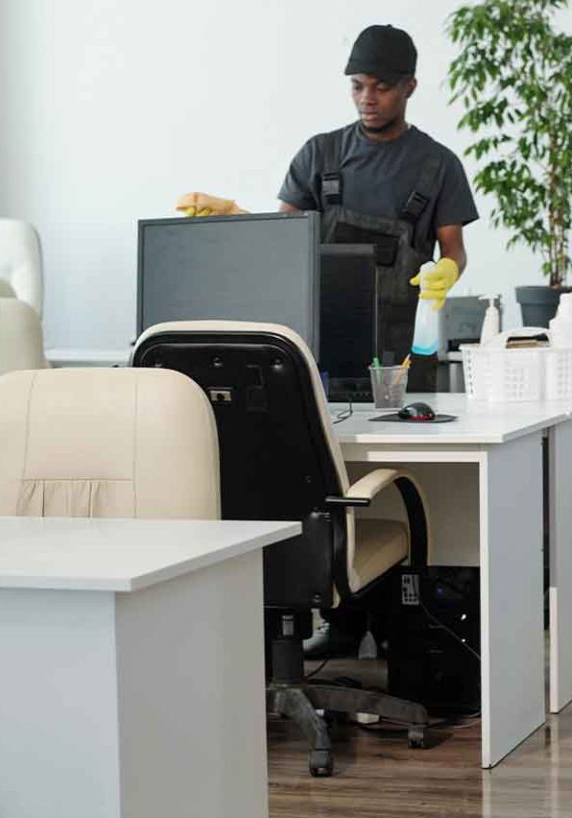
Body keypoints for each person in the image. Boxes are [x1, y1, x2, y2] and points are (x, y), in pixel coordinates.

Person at [182, 24, 478, 659]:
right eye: (357, 86)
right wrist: (236, 218)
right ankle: (339, 619)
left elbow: (454, 249)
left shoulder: (437, 165)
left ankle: (400, 629)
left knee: (404, 473)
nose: (366, 98)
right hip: (316, 349)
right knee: (323, 471)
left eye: (379, 87)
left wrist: (443, 275)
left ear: (408, 88)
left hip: (402, 354)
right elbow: (282, 246)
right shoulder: (320, 155)